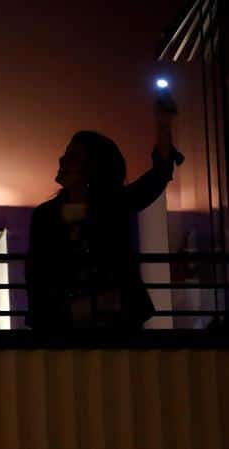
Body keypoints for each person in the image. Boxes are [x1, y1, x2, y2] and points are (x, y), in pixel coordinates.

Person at [26, 96, 181, 329]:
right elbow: (35, 270)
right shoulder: (46, 215)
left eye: (73, 156)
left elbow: (158, 176)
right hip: (68, 319)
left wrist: (163, 125)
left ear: (93, 167)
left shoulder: (112, 204)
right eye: (67, 154)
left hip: (108, 318)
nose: (63, 160)